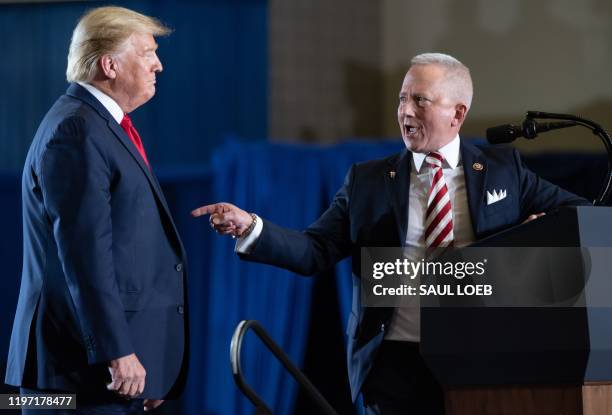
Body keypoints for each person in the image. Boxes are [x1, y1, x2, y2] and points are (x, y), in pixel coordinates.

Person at [191, 53, 589, 414]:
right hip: (395, 366)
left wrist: (538, 237)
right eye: (402, 98)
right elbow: (314, 249)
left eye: (420, 100)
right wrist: (252, 227)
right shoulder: (368, 181)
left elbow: (579, 216)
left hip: (486, 359)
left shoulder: (504, 170)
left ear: (458, 113)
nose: (405, 111)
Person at [5, 6, 188, 414]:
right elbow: (84, 255)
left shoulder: (98, 126)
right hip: (77, 375)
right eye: (147, 53)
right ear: (109, 64)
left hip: (107, 375)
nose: (158, 64)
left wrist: (149, 363)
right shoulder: (76, 130)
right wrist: (117, 352)